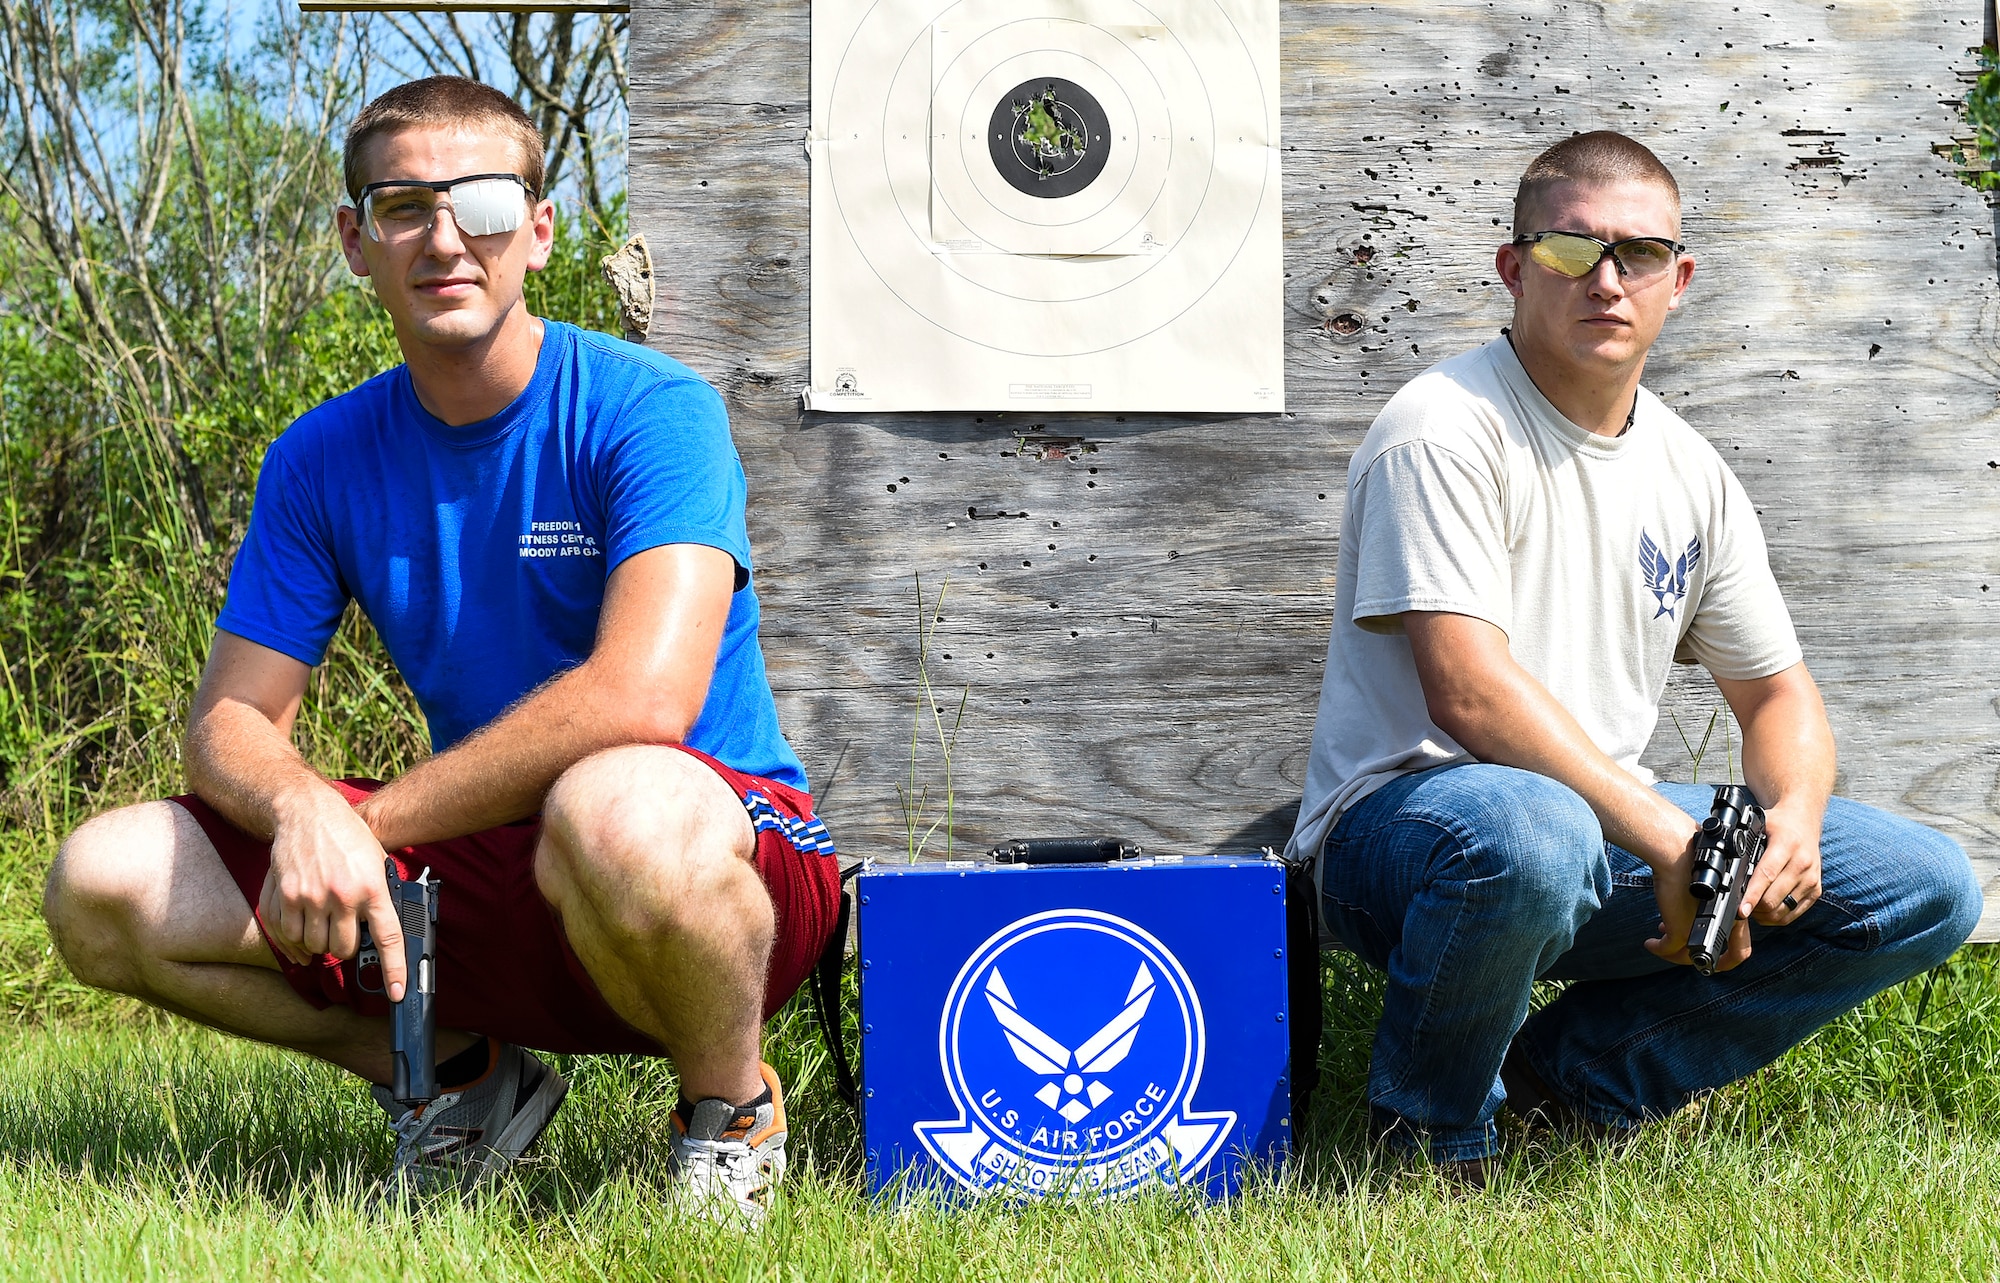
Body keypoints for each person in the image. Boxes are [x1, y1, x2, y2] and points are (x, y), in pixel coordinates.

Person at [40, 77, 838, 1222]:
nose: (446, 236)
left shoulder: (648, 409)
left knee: (614, 802)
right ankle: (468, 1083)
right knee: (104, 879)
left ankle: (729, 1112)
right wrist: (301, 810)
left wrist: (358, 823)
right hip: (496, 865)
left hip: (718, 860)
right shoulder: (319, 458)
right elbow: (228, 719)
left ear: (541, 230)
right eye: (405, 204)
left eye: (484, 202)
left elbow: (641, 698)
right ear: (356, 242)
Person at [1285, 131, 1981, 1180]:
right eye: (1570, 250)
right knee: (1530, 826)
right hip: (1405, 835)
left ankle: (1570, 1084)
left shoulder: (1687, 469)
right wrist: (1671, 838)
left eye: (1638, 254)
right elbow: (1466, 692)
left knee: (1918, 883)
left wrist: (1787, 817)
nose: (1605, 280)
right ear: (1514, 268)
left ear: (1677, 279)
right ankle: (1426, 1137)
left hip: (1596, 833)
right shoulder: (1442, 426)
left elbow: (1778, 693)